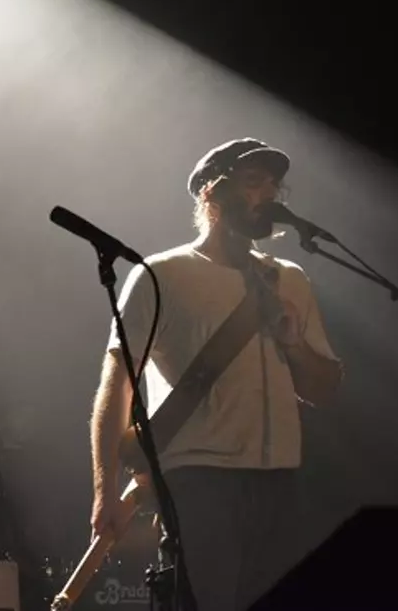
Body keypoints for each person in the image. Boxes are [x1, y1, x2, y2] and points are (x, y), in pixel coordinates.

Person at [87, 138, 344, 611]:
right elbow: (116, 386)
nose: (269, 194)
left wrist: (292, 343)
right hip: (199, 484)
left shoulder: (290, 279)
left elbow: (324, 389)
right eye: (253, 183)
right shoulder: (160, 275)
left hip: (283, 483)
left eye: (274, 185)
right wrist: (104, 491)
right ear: (212, 193)